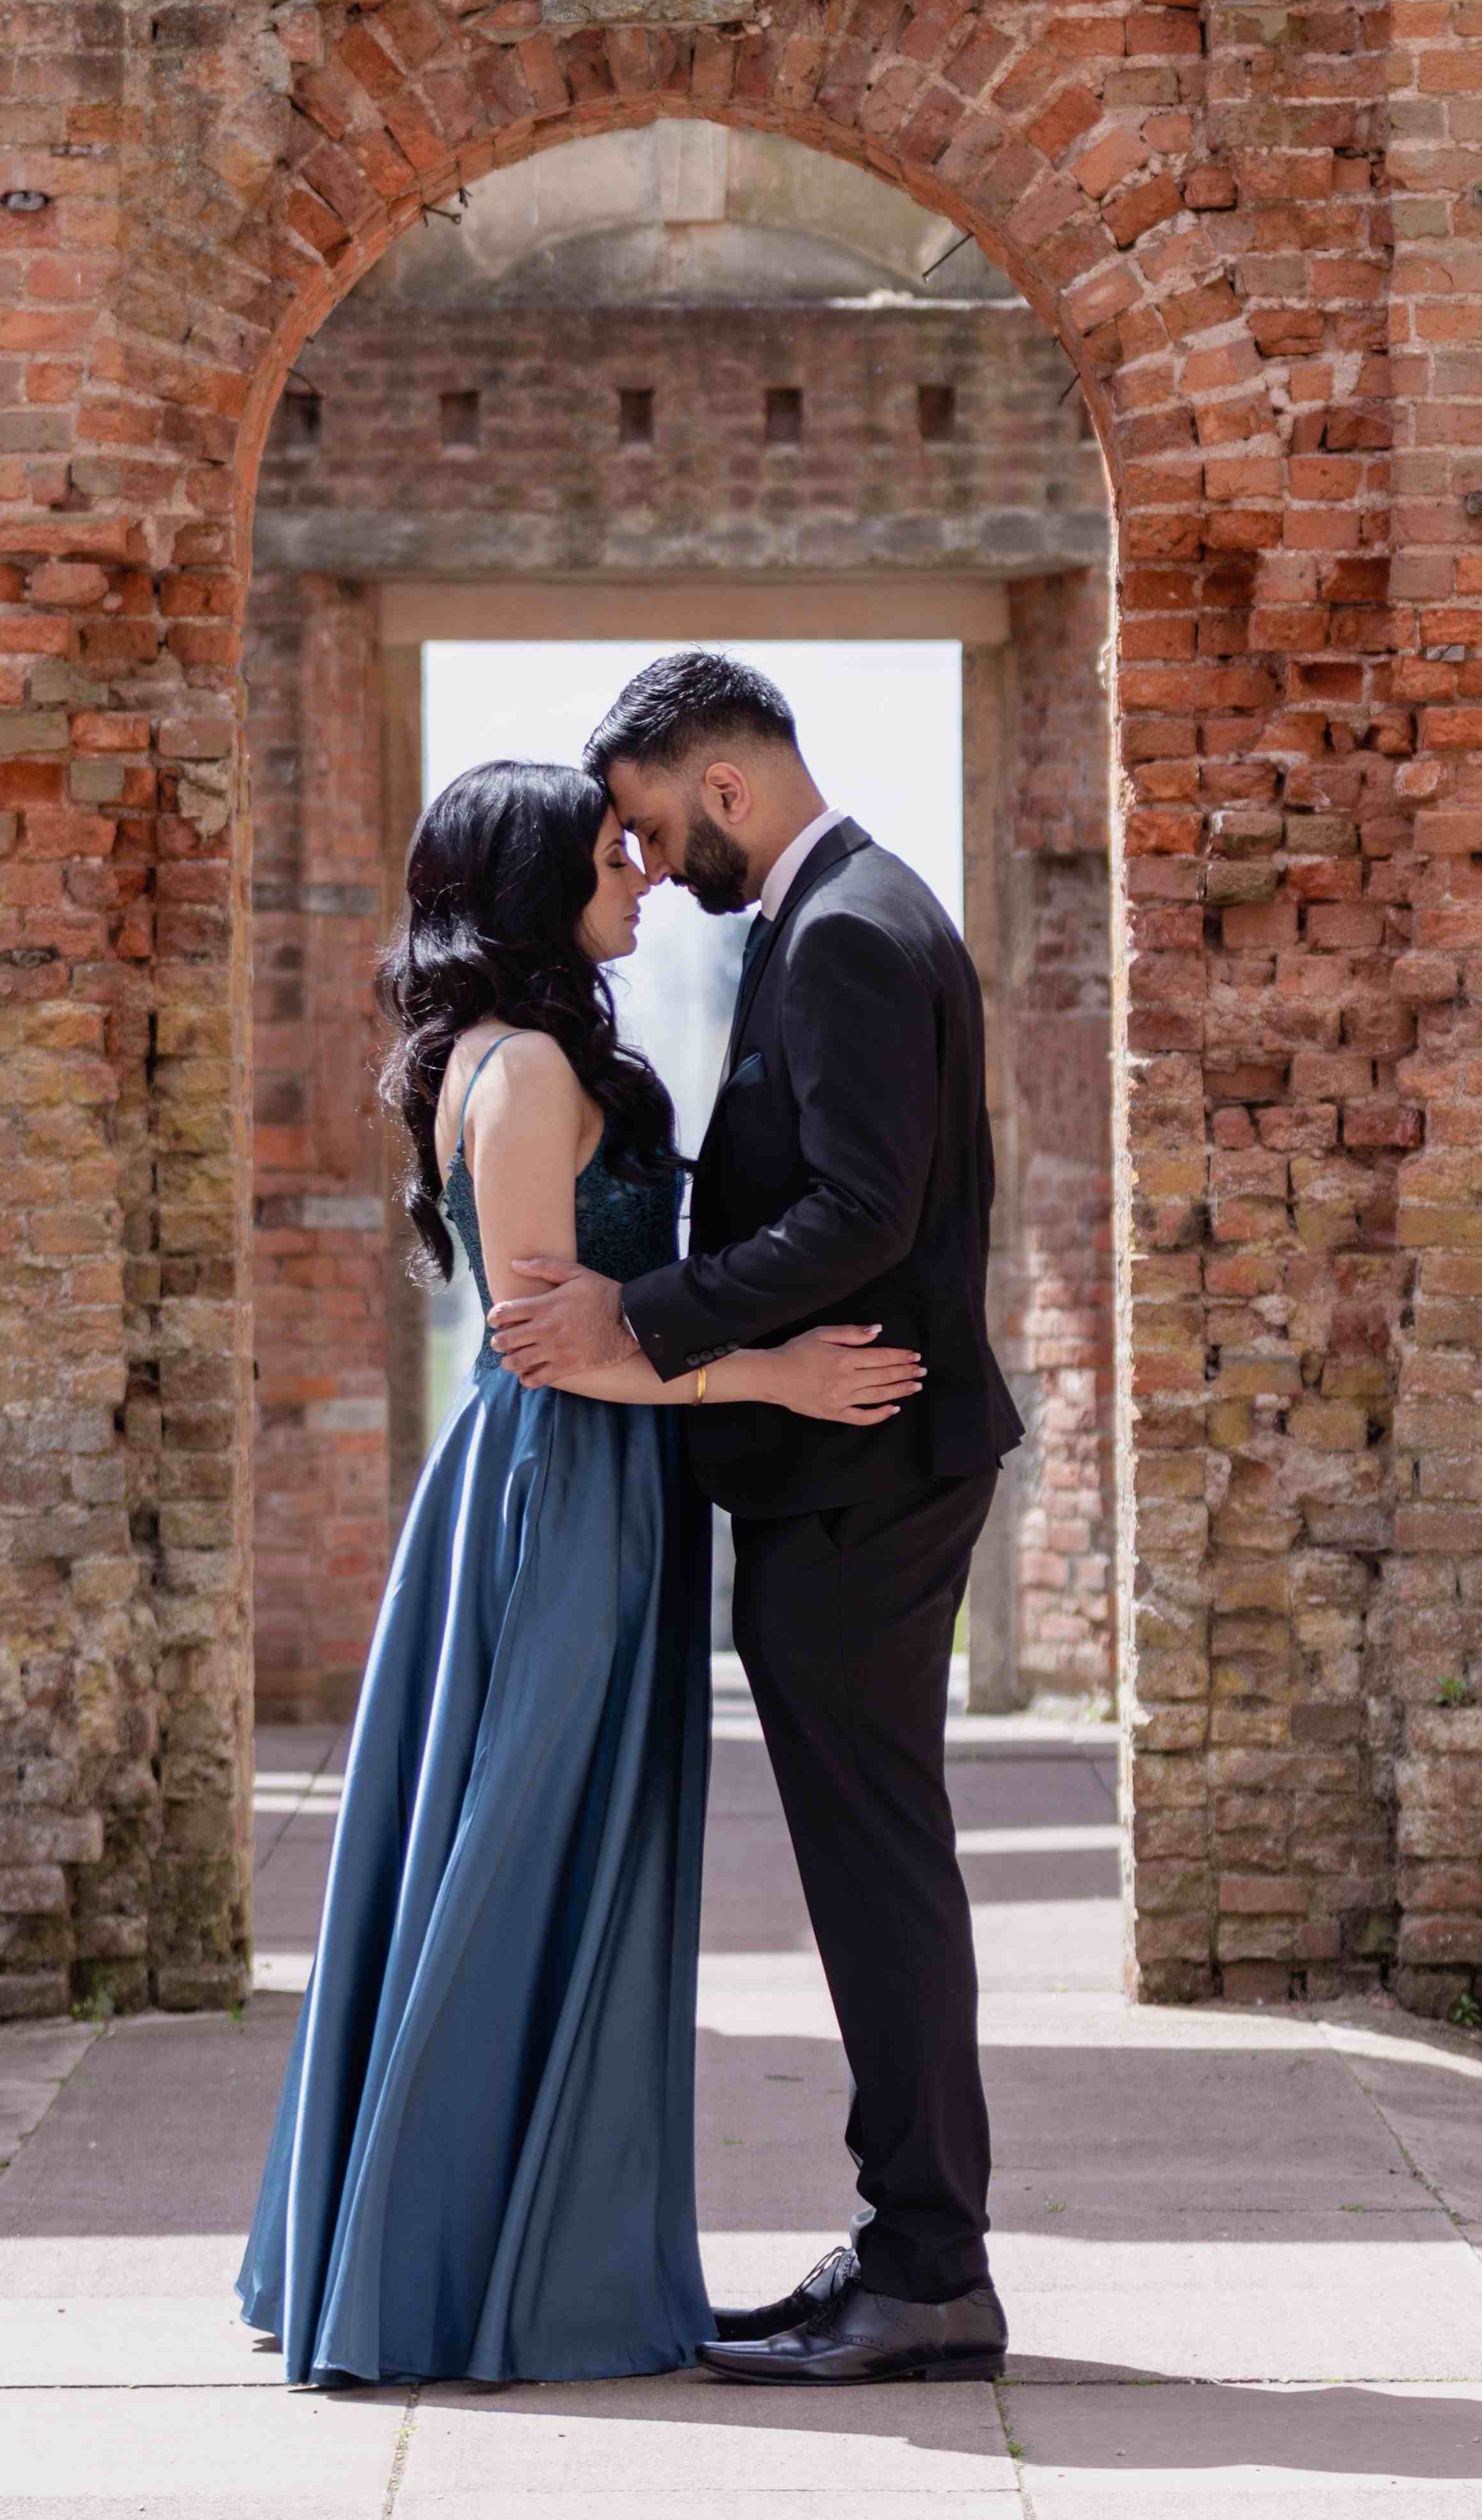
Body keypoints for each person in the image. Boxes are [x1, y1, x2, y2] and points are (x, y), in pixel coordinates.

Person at [234, 757, 929, 2387]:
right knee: (521, 1861)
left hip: (596, 1481)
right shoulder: (532, 1069)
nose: (641, 873)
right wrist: (775, 1376)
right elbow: (546, 1352)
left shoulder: (515, 1050)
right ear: (535, 881)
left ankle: (479, 2250)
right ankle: (455, 2271)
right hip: (562, 1488)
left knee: (540, 1857)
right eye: (611, 854)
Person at [487, 652, 1025, 2387]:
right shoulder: (847, 914)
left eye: (650, 824)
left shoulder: (855, 927)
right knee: (878, 1865)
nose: (649, 865)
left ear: (721, 786)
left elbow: (863, 1214)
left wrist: (640, 1323)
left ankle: (933, 2265)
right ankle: (905, 2244)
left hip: (869, 1468)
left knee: (879, 1873)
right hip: (851, 1470)